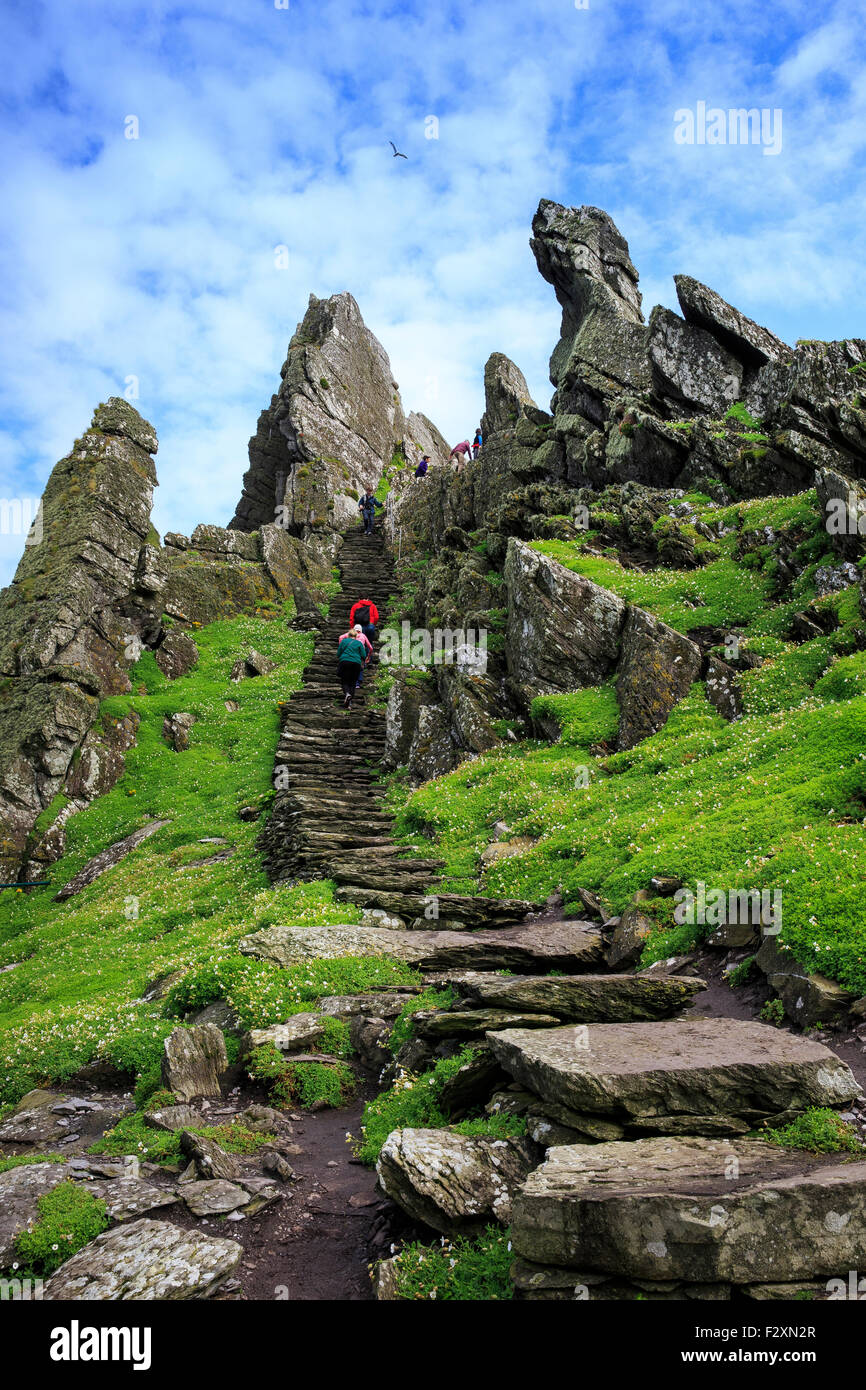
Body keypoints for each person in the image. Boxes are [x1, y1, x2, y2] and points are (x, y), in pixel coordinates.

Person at [337, 627, 368, 708]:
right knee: (353, 682)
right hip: (356, 664)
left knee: (345, 681)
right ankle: (349, 702)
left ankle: (347, 694)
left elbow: (338, 653)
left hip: (345, 662)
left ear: (348, 635)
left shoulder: (344, 641)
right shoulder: (359, 643)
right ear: (356, 636)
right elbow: (364, 655)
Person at [338, 623, 373, 689]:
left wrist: (342, 647)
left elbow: (340, 637)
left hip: (349, 653)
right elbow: (370, 648)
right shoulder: (363, 635)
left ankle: (348, 682)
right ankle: (357, 683)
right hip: (360, 654)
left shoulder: (349, 635)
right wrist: (368, 656)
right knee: (360, 668)